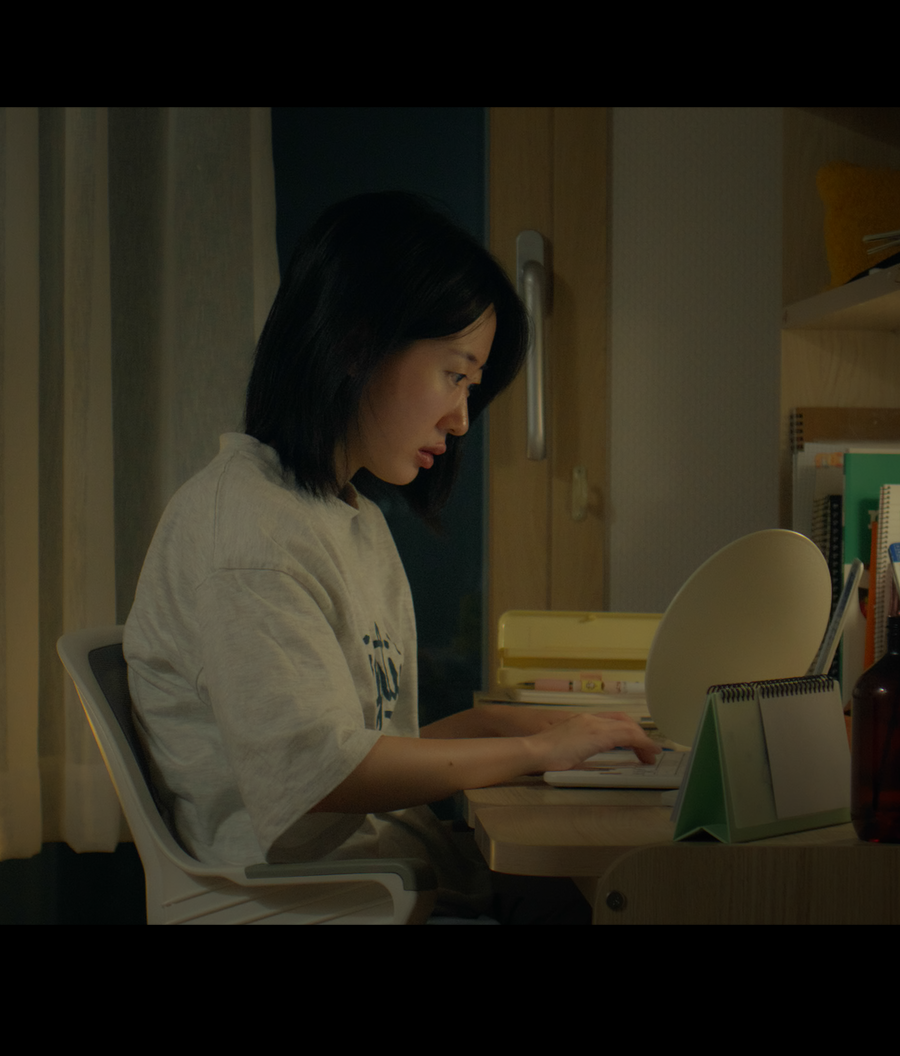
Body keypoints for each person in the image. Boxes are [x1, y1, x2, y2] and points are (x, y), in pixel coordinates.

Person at [123, 192, 659, 920]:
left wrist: (524, 729)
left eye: (471, 386)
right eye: (456, 374)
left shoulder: (340, 515)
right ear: (358, 343)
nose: (461, 419)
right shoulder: (249, 535)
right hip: (322, 905)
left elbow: (360, 750)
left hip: (375, 882)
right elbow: (324, 777)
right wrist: (537, 753)